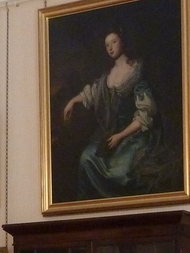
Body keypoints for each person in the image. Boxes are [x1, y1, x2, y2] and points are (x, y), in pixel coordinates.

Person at [62, 26, 169, 199]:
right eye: (107, 45)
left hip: (133, 135)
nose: (110, 47)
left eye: (114, 42)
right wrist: (72, 101)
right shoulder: (107, 76)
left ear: (122, 42)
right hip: (110, 132)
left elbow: (145, 114)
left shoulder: (136, 72)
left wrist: (120, 136)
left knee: (119, 175)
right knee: (86, 158)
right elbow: (93, 93)